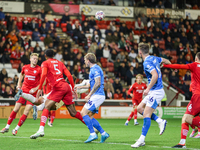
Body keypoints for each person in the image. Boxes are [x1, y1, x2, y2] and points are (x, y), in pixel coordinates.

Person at [29, 49, 84, 139]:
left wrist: (39, 89)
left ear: (45, 56)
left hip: (58, 87)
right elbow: (69, 76)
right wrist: (73, 88)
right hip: (66, 86)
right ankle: (93, 127)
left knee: (46, 106)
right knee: (73, 113)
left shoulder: (45, 63)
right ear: (53, 55)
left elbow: (43, 75)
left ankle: (41, 130)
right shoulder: (60, 63)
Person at [131, 43, 171, 148]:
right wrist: (163, 66)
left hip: (156, 91)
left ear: (140, 52)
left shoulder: (146, 62)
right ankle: (160, 121)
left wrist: (148, 88)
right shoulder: (155, 58)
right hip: (155, 91)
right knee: (139, 109)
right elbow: (167, 61)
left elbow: (155, 75)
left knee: (146, 114)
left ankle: (141, 140)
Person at [163, 52, 200, 148]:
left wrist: (166, 65)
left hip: (197, 96)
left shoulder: (195, 65)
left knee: (186, 118)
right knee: (188, 118)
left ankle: (182, 142)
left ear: (196, 59)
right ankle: (182, 142)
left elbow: (180, 66)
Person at [0, 53, 41, 135]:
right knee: (16, 109)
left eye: (36, 59)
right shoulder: (25, 67)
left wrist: (36, 89)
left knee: (26, 111)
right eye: (33, 58)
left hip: (32, 94)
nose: (35, 60)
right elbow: (21, 74)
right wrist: (19, 84)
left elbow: (43, 81)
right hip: (23, 91)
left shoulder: (39, 69)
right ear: (30, 59)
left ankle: (16, 129)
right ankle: (7, 127)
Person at [75, 53, 110, 143]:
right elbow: (90, 85)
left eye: (85, 60)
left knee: (83, 113)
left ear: (89, 60)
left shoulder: (95, 69)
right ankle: (103, 133)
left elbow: (98, 83)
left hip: (97, 96)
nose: (85, 61)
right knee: (89, 116)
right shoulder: (93, 69)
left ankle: (92, 134)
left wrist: (89, 95)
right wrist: (79, 87)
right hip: (97, 96)